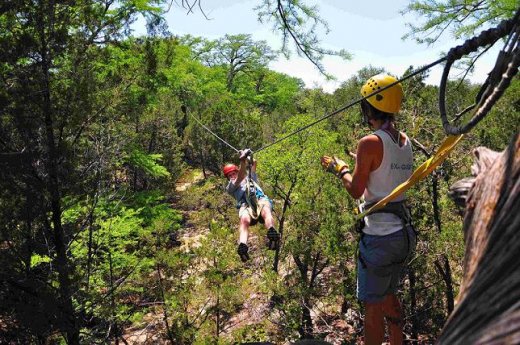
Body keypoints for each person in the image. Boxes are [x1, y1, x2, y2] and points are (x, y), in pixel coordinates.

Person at [321, 74, 416, 345]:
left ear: (369, 106)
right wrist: (363, 163)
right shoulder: (404, 140)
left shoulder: (370, 142)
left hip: (380, 238)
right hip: (402, 236)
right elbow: (387, 173)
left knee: (372, 309)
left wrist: (340, 169)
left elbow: (356, 190)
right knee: (389, 295)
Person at [223, 149, 281, 262]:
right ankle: (243, 246)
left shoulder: (250, 178)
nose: (232, 176)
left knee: (266, 212)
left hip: (259, 199)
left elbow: (254, 162)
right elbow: (240, 175)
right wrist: (242, 160)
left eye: (233, 173)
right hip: (245, 205)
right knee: (244, 220)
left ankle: (272, 232)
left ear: (236, 171)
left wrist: (247, 156)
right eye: (229, 175)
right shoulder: (231, 187)